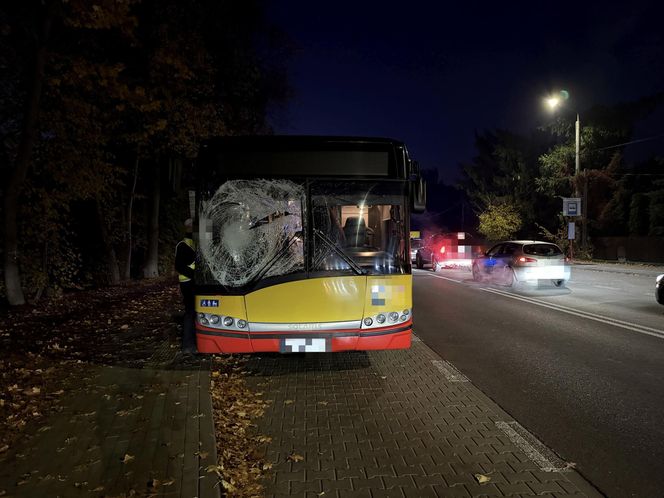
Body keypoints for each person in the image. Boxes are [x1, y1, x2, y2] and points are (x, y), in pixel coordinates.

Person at [175, 218, 197, 354]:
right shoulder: (182, 245)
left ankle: (194, 341)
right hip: (188, 283)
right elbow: (179, 266)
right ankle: (188, 345)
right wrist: (194, 274)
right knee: (190, 311)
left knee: (195, 311)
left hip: (195, 283)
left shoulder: (194, 243)